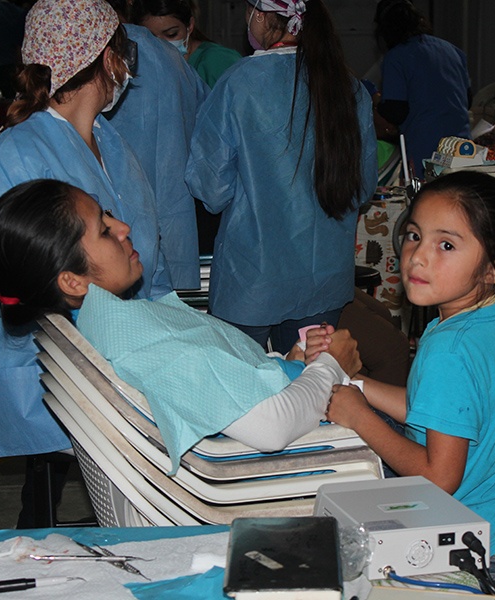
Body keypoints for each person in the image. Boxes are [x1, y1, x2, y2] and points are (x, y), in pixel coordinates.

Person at [0, 0, 172, 511]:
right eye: (122, 52)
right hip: (43, 360)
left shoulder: (109, 142)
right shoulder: (16, 156)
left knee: (113, 495)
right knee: (47, 499)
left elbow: (140, 242)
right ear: (104, 58)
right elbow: (0, 278)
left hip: (107, 351)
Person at [0, 178, 362, 472]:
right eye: (103, 229)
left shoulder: (111, 324)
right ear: (73, 282)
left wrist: (292, 362)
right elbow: (272, 428)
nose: (124, 227)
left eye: (108, 214)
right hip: (298, 460)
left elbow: (227, 384)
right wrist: (329, 368)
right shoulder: (143, 348)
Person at [327, 171, 495, 600]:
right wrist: (355, 383)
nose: (418, 257)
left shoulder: (449, 349)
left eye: (446, 245)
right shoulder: (493, 316)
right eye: (413, 236)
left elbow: (439, 476)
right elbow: (437, 411)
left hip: (479, 551)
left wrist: (360, 418)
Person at [186, 0, 376, 352]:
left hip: (252, 276)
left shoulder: (239, 83)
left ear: (259, 14)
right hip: (324, 275)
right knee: (309, 388)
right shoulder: (348, 88)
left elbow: (210, 186)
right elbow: (362, 187)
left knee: (245, 389)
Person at [104, 0, 209, 290]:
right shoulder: (173, 62)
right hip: (171, 220)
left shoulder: (110, 54)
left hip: (114, 232)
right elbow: (211, 144)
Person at [372, 0, 471, 178]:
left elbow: (396, 111)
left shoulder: (396, 57)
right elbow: (467, 98)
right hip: (460, 145)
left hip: (425, 147)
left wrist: (376, 102)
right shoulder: (453, 51)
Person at [133, 0, 241, 88]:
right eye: (151, 38)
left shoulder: (218, 61)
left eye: (171, 34)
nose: (161, 45)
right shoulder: (144, 69)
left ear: (190, 26)